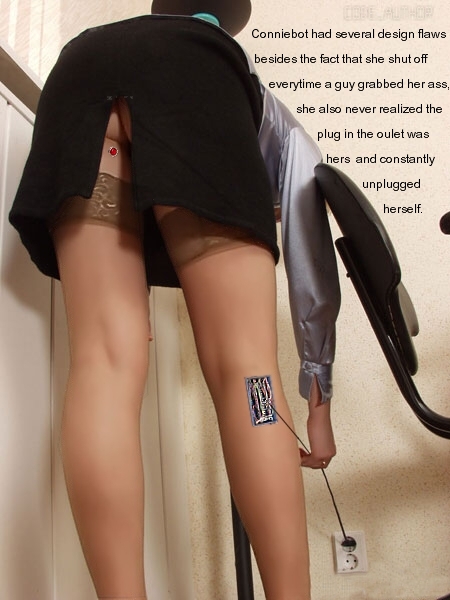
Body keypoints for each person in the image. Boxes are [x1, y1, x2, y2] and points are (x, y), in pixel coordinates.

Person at [9, 1, 340, 598]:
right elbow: (307, 226)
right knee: (248, 375)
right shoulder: (230, 71)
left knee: (103, 363)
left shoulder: (113, 40)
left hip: (77, 75)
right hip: (190, 82)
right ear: (226, 21)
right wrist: (318, 391)